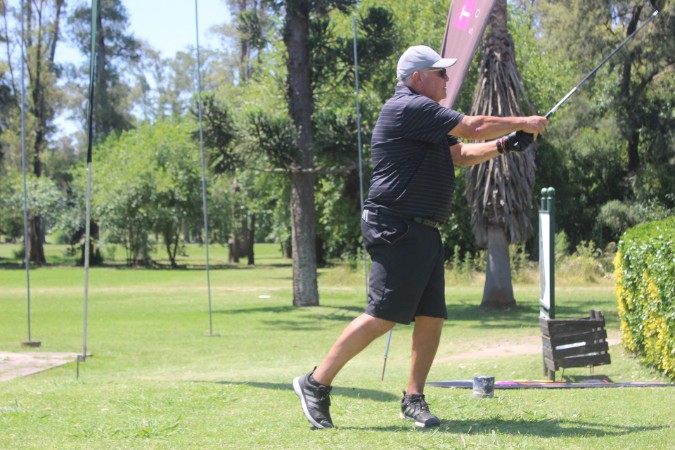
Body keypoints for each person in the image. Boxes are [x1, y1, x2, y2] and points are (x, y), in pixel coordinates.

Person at [293, 45, 548, 429]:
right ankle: (315, 383)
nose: (447, 79)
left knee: (431, 317)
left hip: (423, 229)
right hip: (395, 225)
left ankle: (414, 398)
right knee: (383, 314)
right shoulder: (409, 106)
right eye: (440, 73)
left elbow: (460, 154)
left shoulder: (425, 116)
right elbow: (473, 126)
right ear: (418, 78)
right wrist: (524, 121)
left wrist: (505, 144)